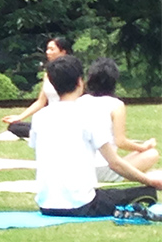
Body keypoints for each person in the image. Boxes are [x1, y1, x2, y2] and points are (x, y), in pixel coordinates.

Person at [30, 55, 160, 216]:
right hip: (82, 204)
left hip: (46, 206)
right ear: (79, 82)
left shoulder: (39, 116)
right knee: (146, 192)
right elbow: (115, 163)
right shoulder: (88, 115)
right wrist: (151, 181)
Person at [79, 58, 159, 182]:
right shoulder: (116, 105)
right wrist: (143, 147)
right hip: (105, 167)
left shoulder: (81, 101)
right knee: (151, 154)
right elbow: (120, 141)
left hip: (82, 167)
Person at [3, 37, 72, 138]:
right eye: (47, 49)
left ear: (63, 52)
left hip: (66, 120)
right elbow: (41, 101)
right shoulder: (48, 74)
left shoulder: (71, 73)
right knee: (14, 127)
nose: (48, 52)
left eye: (52, 49)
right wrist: (19, 117)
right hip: (49, 120)